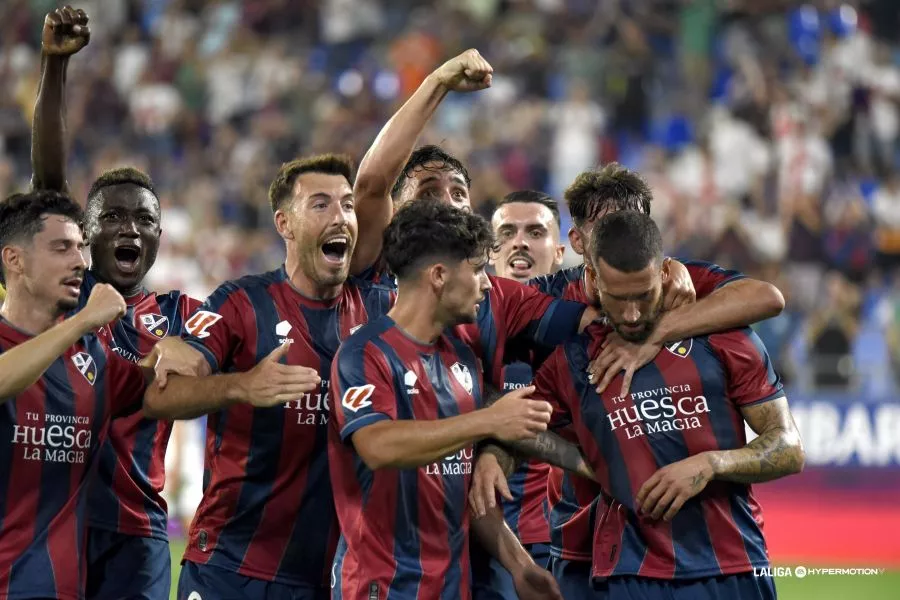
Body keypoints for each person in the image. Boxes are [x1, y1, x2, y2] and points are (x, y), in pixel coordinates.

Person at [471, 163, 787, 599]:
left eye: (633, 222)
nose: (623, 233)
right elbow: (517, 407)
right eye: (608, 225)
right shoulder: (544, 302)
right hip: (582, 537)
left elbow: (767, 297)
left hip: (712, 550)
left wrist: (656, 334)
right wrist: (496, 452)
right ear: (578, 242)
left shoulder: (683, 287)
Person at [144, 154, 393, 600]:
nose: (340, 217)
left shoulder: (377, 310)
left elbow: (380, 184)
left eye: (347, 205)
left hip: (332, 578)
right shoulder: (240, 304)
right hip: (231, 568)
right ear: (285, 223)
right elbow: (161, 397)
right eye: (320, 205)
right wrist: (240, 385)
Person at [29, 8, 202, 598]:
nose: (131, 229)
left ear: (159, 236)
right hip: (56, 520)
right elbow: (49, 184)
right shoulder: (65, 292)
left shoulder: (181, 313)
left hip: (139, 531)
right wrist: (55, 65)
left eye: (145, 219)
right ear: (87, 232)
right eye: (114, 217)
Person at [329, 200, 562, 600]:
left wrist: (521, 566)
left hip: (454, 588)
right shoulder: (364, 354)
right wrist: (488, 421)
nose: (488, 283)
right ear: (438, 275)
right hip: (381, 587)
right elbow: (378, 446)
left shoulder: (463, 361)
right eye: (476, 269)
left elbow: (467, 491)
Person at [0, 190, 153, 599]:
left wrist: (194, 361)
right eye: (62, 247)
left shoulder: (93, 361)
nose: (81, 262)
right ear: (13, 259)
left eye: (81, 248)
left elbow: (158, 389)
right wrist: (83, 320)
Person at [471, 190, 566, 599]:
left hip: (560, 543)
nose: (519, 242)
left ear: (560, 252)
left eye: (535, 232)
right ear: (490, 252)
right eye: (506, 232)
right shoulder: (459, 328)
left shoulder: (587, 330)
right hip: (475, 544)